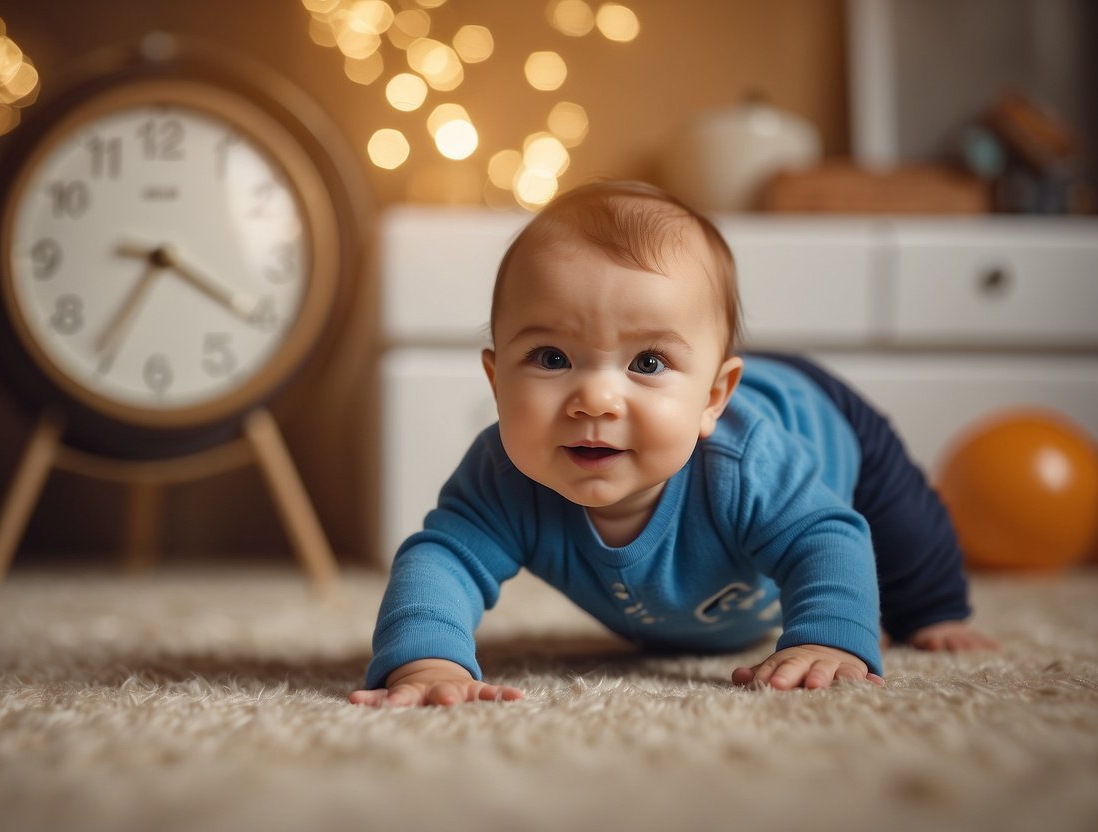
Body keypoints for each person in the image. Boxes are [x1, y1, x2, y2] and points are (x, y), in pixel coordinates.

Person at [350, 180, 998, 708]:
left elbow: (824, 538)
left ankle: (935, 607)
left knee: (908, 538)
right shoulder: (502, 477)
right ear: (495, 380)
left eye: (647, 362)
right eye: (550, 357)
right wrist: (427, 659)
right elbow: (443, 561)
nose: (596, 399)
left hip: (824, 416)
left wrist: (832, 642)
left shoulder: (743, 465)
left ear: (714, 398)